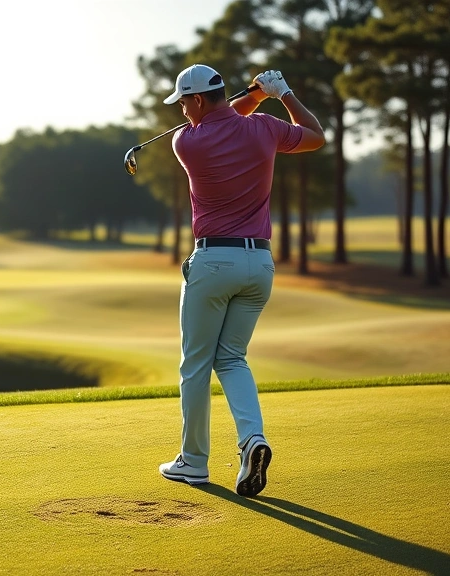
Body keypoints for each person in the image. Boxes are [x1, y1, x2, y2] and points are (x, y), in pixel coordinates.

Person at [156, 65, 325, 497]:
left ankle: (193, 463)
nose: (183, 113)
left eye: (184, 104)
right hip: (259, 265)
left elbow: (224, 116)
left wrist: (256, 95)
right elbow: (315, 134)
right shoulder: (265, 129)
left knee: (196, 364)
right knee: (232, 358)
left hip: (212, 261)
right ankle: (253, 439)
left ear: (194, 101)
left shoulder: (186, 142)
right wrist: (280, 94)